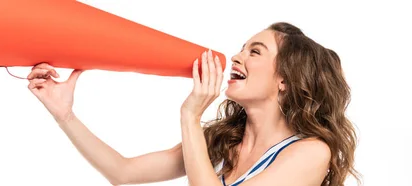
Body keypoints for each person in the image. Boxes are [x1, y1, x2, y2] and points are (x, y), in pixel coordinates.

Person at [25, 22, 360, 186]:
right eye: (242, 48)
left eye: (254, 52)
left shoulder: (311, 152)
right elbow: (123, 173)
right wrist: (64, 114)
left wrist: (190, 115)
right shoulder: (223, 141)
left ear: (285, 79)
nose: (236, 57)